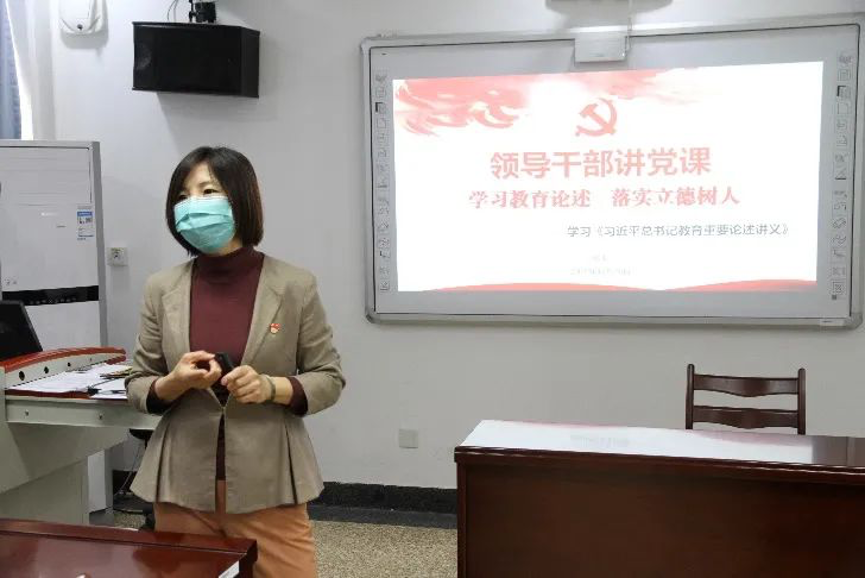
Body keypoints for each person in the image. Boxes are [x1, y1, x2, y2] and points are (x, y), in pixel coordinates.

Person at [125, 146, 345, 578]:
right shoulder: (161, 288)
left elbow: (329, 377)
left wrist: (271, 387)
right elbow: (138, 381)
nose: (193, 205)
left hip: (270, 477)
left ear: (241, 198)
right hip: (180, 479)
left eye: (207, 191)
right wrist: (174, 382)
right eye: (183, 196)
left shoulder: (294, 285)